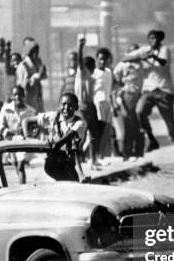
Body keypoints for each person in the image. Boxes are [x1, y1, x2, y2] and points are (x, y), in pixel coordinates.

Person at [122, 29, 174, 169]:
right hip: (149, 90)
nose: (154, 41)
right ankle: (152, 140)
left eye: (157, 38)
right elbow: (125, 58)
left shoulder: (165, 50)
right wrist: (140, 57)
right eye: (151, 38)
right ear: (148, 40)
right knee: (139, 112)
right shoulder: (144, 50)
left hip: (164, 90)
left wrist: (152, 57)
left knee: (170, 123)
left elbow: (163, 63)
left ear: (160, 40)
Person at [25, 92, 87, 182]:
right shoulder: (53, 116)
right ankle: (80, 176)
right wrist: (27, 136)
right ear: (58, 106)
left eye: (70, 106)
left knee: (73, 143)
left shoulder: (80, 122)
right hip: (52, 160)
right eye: (63, 104)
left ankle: (80, 175)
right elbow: (26, 120)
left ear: (76, 108)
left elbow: (69, 135)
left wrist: (56, 143)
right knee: (68, 182)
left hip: (69, 161)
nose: (66, 108)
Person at [0, 86, 37, 184]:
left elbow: (35, 128)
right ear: (12, 96)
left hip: (23, 142)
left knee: (21, 165)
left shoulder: (31, 111)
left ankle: (22, 187)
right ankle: (22, 185)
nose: (18, 97)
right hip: (10, 142)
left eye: (20, 95)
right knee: (16, 166)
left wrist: (29, 133)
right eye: (15, 95)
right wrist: (11, 131)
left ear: (24, 96)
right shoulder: (6, 109)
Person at [113, 43, 144, 159]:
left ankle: (138, 153)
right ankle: (127, 153)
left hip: (140, 95)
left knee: (139, 124)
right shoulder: (124, 64)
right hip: (128, 94)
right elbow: (115, 77)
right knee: (129, 124)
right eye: (133, 53)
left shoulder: (142, 64)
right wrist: (121, 87)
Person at [75, 37, 101, 170]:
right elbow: (79, 61)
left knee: (93, 134)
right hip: (82, 106)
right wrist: (80, 47)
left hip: (90, 106)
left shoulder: (91, 77)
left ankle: (92, 160)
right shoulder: (82, 73)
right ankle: (78, 160)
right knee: (82, 135)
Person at [92, 47, 116, 160]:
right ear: (96, 59)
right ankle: (95, 156)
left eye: (105, 59)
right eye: (100, 59)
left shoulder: (109, 72)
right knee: (99, 130)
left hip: (107, 103)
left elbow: (111, 89)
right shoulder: (94, 73)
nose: (102, 62)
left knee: (107, 130)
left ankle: (103, 155)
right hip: (98, 103)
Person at [16, 40, 47, 112]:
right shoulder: (23, 66)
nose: (35, 54)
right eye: (33, 51)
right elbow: (23, 84)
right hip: (28, 99)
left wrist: (42, 73)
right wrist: (36, 76)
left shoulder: (37, 62)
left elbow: (43, 77)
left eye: (37, 51)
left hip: (37, 97)